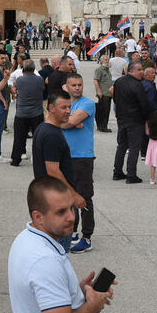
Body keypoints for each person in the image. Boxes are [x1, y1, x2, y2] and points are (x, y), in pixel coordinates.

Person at [7, 176, 113, 313]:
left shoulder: (26, 238)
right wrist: (92, 306)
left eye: (71, 208)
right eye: (60, 212)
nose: (71, 217)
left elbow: (40, 297)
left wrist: (77, 292)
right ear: (38, 217)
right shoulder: (45, 262)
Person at [32, 90, 87, 253]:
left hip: (47, 198)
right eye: (63, 107)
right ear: (51, 108)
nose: (68, 111)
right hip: (57, 201)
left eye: (69, 107)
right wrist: (74, 196)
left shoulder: (43, 128)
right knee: (59, 254)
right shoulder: (52, 135)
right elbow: (53, 171)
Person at [61, 73, 96, 254]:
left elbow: (68, 122)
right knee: (68, 197)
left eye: (79, 85)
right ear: (66, 87)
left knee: (84, 197)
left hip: (82, 157)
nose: (77, 88)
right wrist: (71, 121)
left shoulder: (87, 103)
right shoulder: (65, 103)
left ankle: (87, 237)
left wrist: (71, 121)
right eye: (73, 85)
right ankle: (73, 231)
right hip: (65, 156)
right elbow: (48, 118)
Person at [112, 62, 151, 184]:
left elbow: (115, 99)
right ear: (131, 71)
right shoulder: (138, 85)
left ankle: (117, 171)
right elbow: (144, 104)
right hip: (135, 120)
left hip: (122, 118)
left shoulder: (119, 82)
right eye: (139, 70)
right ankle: (131, 175)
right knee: (134, 147)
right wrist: (147, 118)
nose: (141, 72)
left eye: (141, 69)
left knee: (122, 145)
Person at [11, 60, 44, 167]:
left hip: (22, 112)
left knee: (19, 137)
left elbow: (16, 88)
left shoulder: (20, 80)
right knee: (38, 137)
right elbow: (42, 89)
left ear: (23, 69)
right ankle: (38, 158)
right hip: (36, 112)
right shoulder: (39, 79)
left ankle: (16, 159)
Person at [93, 54, 114, 133]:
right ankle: (102, 126)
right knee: (103, 111)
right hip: (103, 94)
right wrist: (98, 91)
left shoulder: (108, 70)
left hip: (108, 94)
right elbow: (96, 80)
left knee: (106, 111)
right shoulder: (99, 70)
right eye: (105, 60)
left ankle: (103, 126)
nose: (107, 61)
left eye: (108, 59)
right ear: (101, 61)